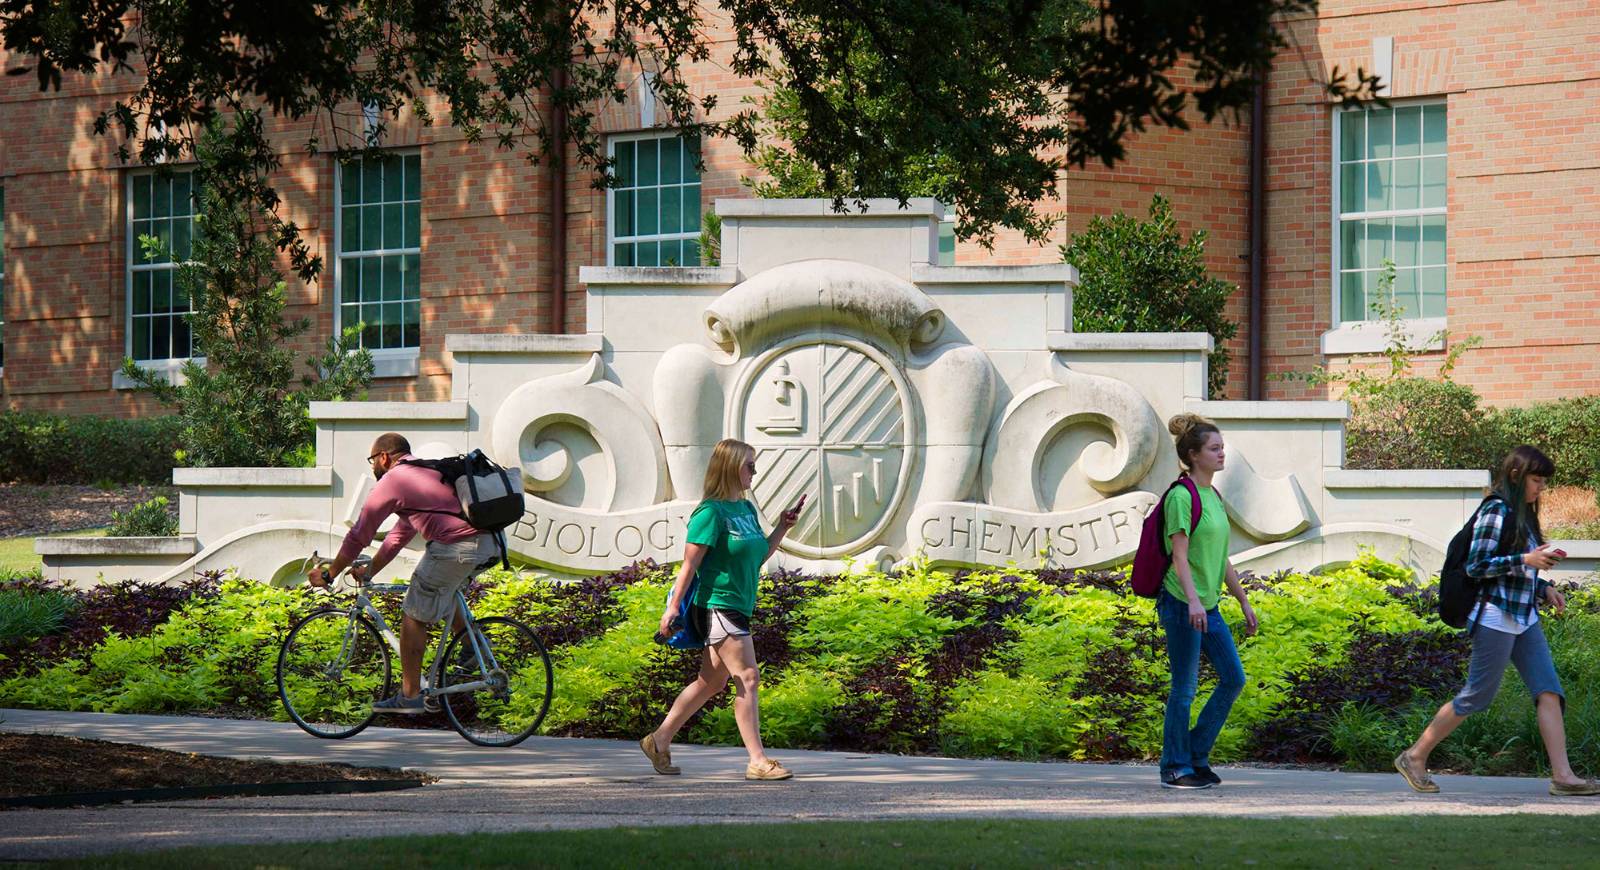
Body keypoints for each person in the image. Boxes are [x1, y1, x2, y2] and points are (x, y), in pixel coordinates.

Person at [1395, 446, 1597, 796]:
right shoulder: (1496, 510)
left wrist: (1545, 586)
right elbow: (1477, 565)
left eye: (1544, 481)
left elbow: (1524, 566)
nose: (1541, 488)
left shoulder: (1524, 516)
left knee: (1549, 691)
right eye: (1537, 480)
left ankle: (1563, 777)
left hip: (1525, 617)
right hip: (1495, 616)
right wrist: (1526, 560)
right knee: (1477, 696)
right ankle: (1414, 756)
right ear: (1517, 476)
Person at [640, 438, 805, 781]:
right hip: (718, 604)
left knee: (709, 682)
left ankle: (659, 740)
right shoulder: (710, 513)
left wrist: (782, 527)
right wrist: (672, 609)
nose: (754, 472)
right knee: (747, 676)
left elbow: (757, 555)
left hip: (739, 605)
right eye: (749, 465)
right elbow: (688, 566)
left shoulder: (744, 510)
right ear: (730, 467)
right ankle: (758, 761)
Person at [306, 432, 499, 714]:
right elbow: (398, 536)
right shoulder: (424, 474)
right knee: (445, 589)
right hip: (490, 543)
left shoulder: (394, 480)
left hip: (456, 546)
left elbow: (360, 533)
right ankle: (472, 649)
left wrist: (330, 573)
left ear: (383, 457)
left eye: (372, 460)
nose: (372, 467)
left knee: (412, 612)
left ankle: (409, 696)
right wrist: (370, 570)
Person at [1156, 413, 1257, 789]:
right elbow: (1179, 556)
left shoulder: (1212, 495)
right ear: (1194, 455)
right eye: (1214, 448)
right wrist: (1195, 603)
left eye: (1222, 447)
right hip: (1183, 602)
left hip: (1208, 604)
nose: (1221, 453)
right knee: (1184, 687)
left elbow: (1221, 558)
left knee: (1233, 678)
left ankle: (1195, 754)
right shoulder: (1181, 497)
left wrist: (1243, 601)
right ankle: (1174, 766)